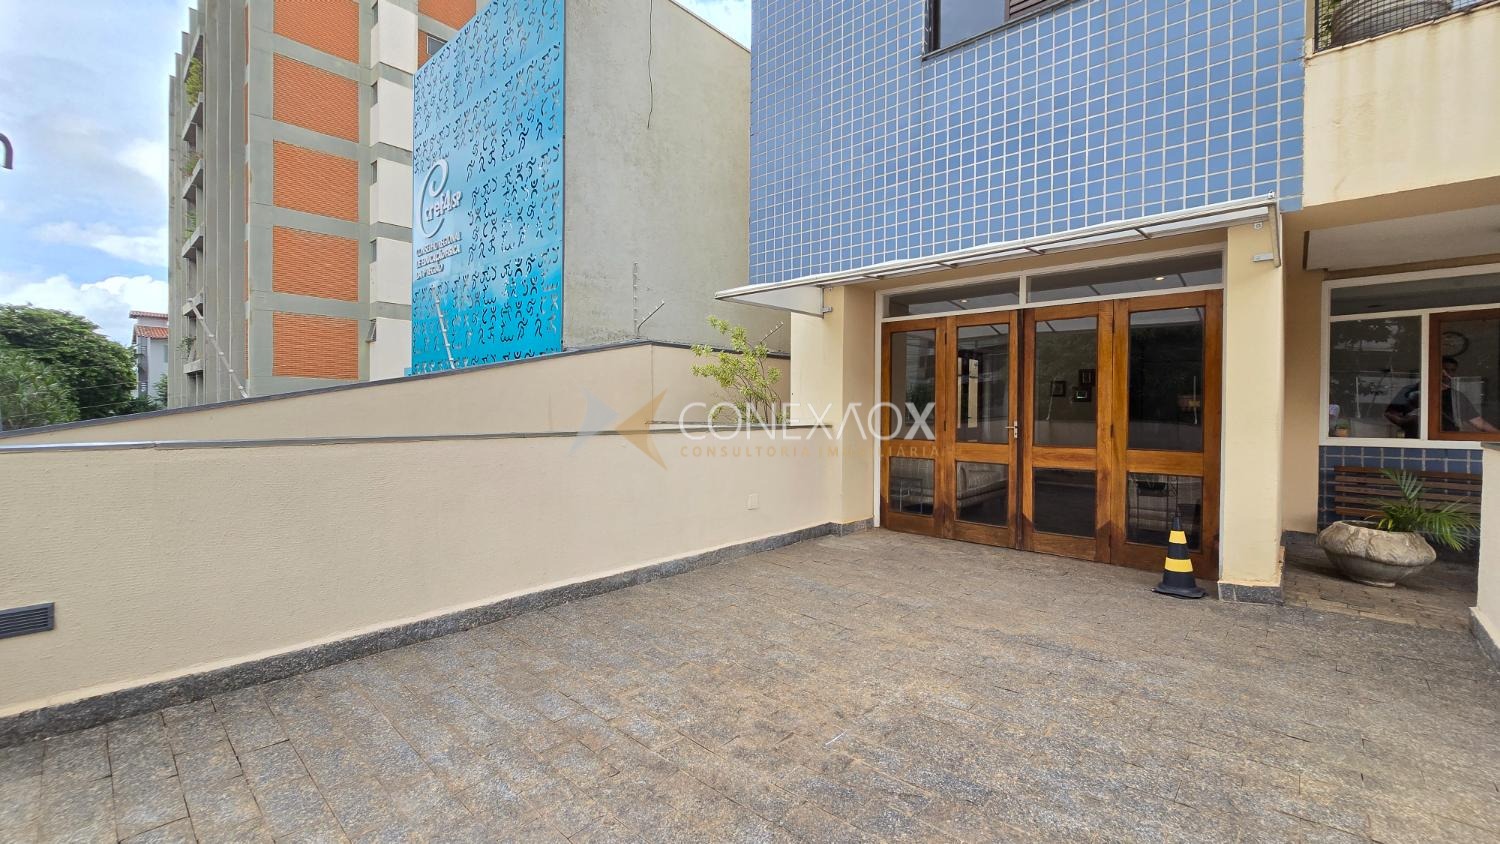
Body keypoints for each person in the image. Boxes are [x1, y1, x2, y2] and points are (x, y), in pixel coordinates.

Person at [1384, 356, 1500, 436]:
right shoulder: (1410, 391)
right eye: (1443, 370)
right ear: (1434, 369)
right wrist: (1405, 421)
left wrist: (1497, 435)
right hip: (1417, 442)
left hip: (1448, 441)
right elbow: (1390, 413)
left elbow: (1480, 423)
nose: (1446, 374)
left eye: (1451, 370)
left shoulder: (1457, 396)